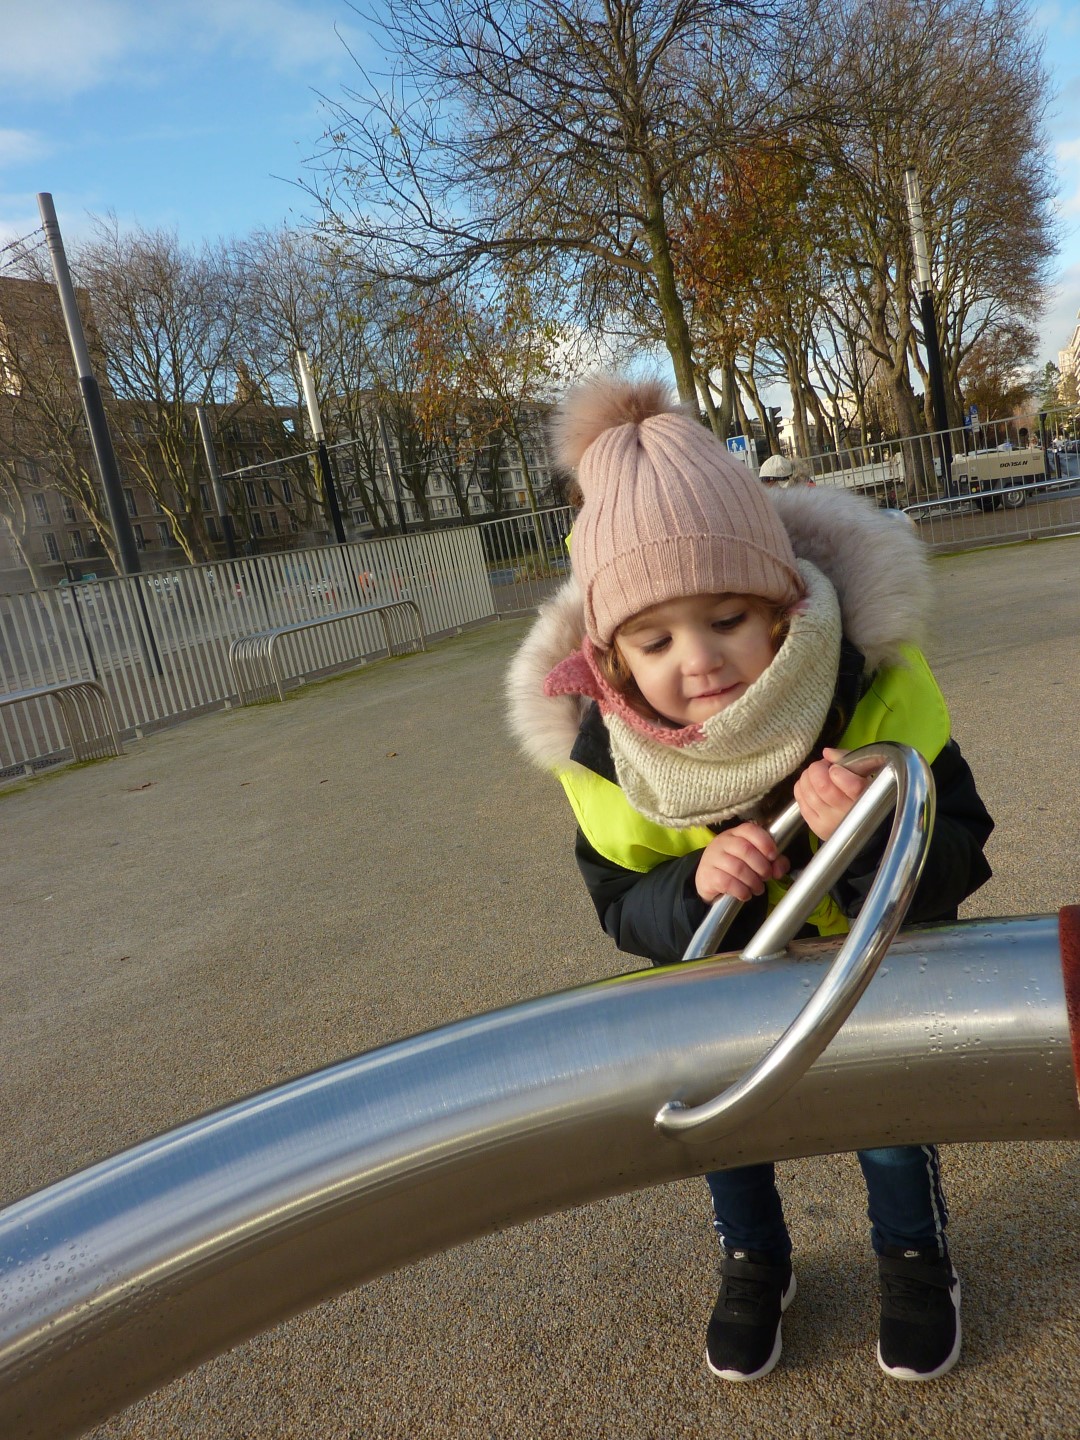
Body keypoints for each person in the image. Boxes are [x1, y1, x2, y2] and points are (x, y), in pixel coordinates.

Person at [507, 375, 993, 1386]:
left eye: (728, 616)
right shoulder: (607, 758)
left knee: (888, 1121)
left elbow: (963, 847)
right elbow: (619, 902)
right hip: (721, 985)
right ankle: (754, 1256)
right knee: (725, 1120)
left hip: (857, 969)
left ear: (780, 607)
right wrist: (694, 886)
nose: (700, 660)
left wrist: (863, 838)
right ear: (609, 661)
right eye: (655, 640)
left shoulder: (871, 695)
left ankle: (913, 1255)